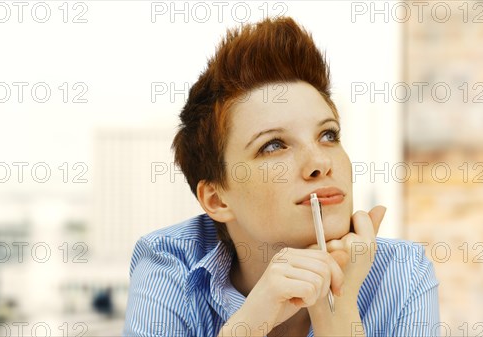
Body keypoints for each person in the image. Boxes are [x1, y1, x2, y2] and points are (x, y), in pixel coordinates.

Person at [123, 16, 439, 337]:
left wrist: (336, 303)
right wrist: (252, 320)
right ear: (217, 198)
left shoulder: (403, 271)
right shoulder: (169, 261)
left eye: (328, 135)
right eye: (274, 145)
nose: (319, 163)